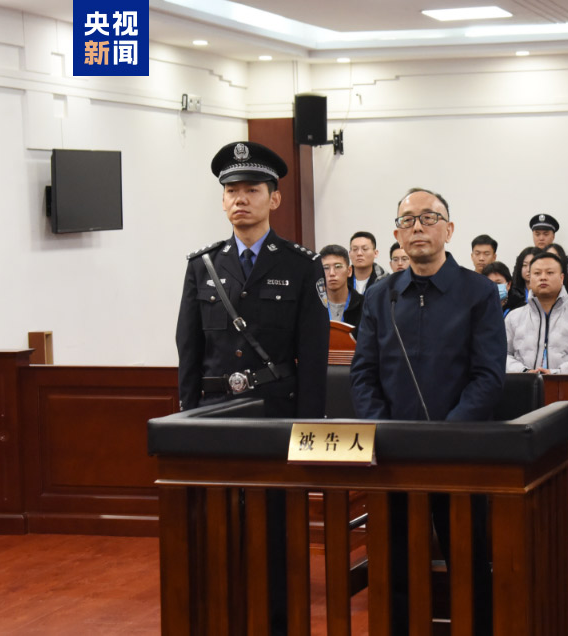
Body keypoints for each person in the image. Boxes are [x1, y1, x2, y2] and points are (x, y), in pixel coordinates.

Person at [175, 141, 329, 635]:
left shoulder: (301, 264)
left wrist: (309, 428)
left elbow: (314, 354)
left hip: (276, 413)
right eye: (232, 191)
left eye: (252, 190)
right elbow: (188, 349)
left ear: (274, 199)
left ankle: (278, 622)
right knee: (217, 526)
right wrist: (188, 418)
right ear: (223, 200)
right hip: (216, 414)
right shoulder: (203, 265)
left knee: (277, 527)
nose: (240, 199)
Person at [350, 187, 505, 635]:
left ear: (449, 229)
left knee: (468, 563)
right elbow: (363, 374)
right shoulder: (380, 296)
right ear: (397, 234)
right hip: (393, 457)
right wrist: (384, 433)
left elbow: (488, 376)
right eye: (408, 220)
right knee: (396, 563)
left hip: (459, 455)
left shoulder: (478, 292)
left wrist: (446, 438)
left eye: (429, 218)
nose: (417, 227)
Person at [505, 252, 568, 374]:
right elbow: (503, 354)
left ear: (561, 278)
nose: (543, 277)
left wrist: (557, 373)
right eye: (537, 273)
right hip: (524, 383)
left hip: (566, 383)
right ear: (530, 278)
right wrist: (525, 372)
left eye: (550, 273)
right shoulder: (513, 317)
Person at [319, 244, 364, 336]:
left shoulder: (365, 305)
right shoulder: (312, 306)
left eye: (338, 266)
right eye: (326, 268)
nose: (332, 273)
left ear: (349, 271)